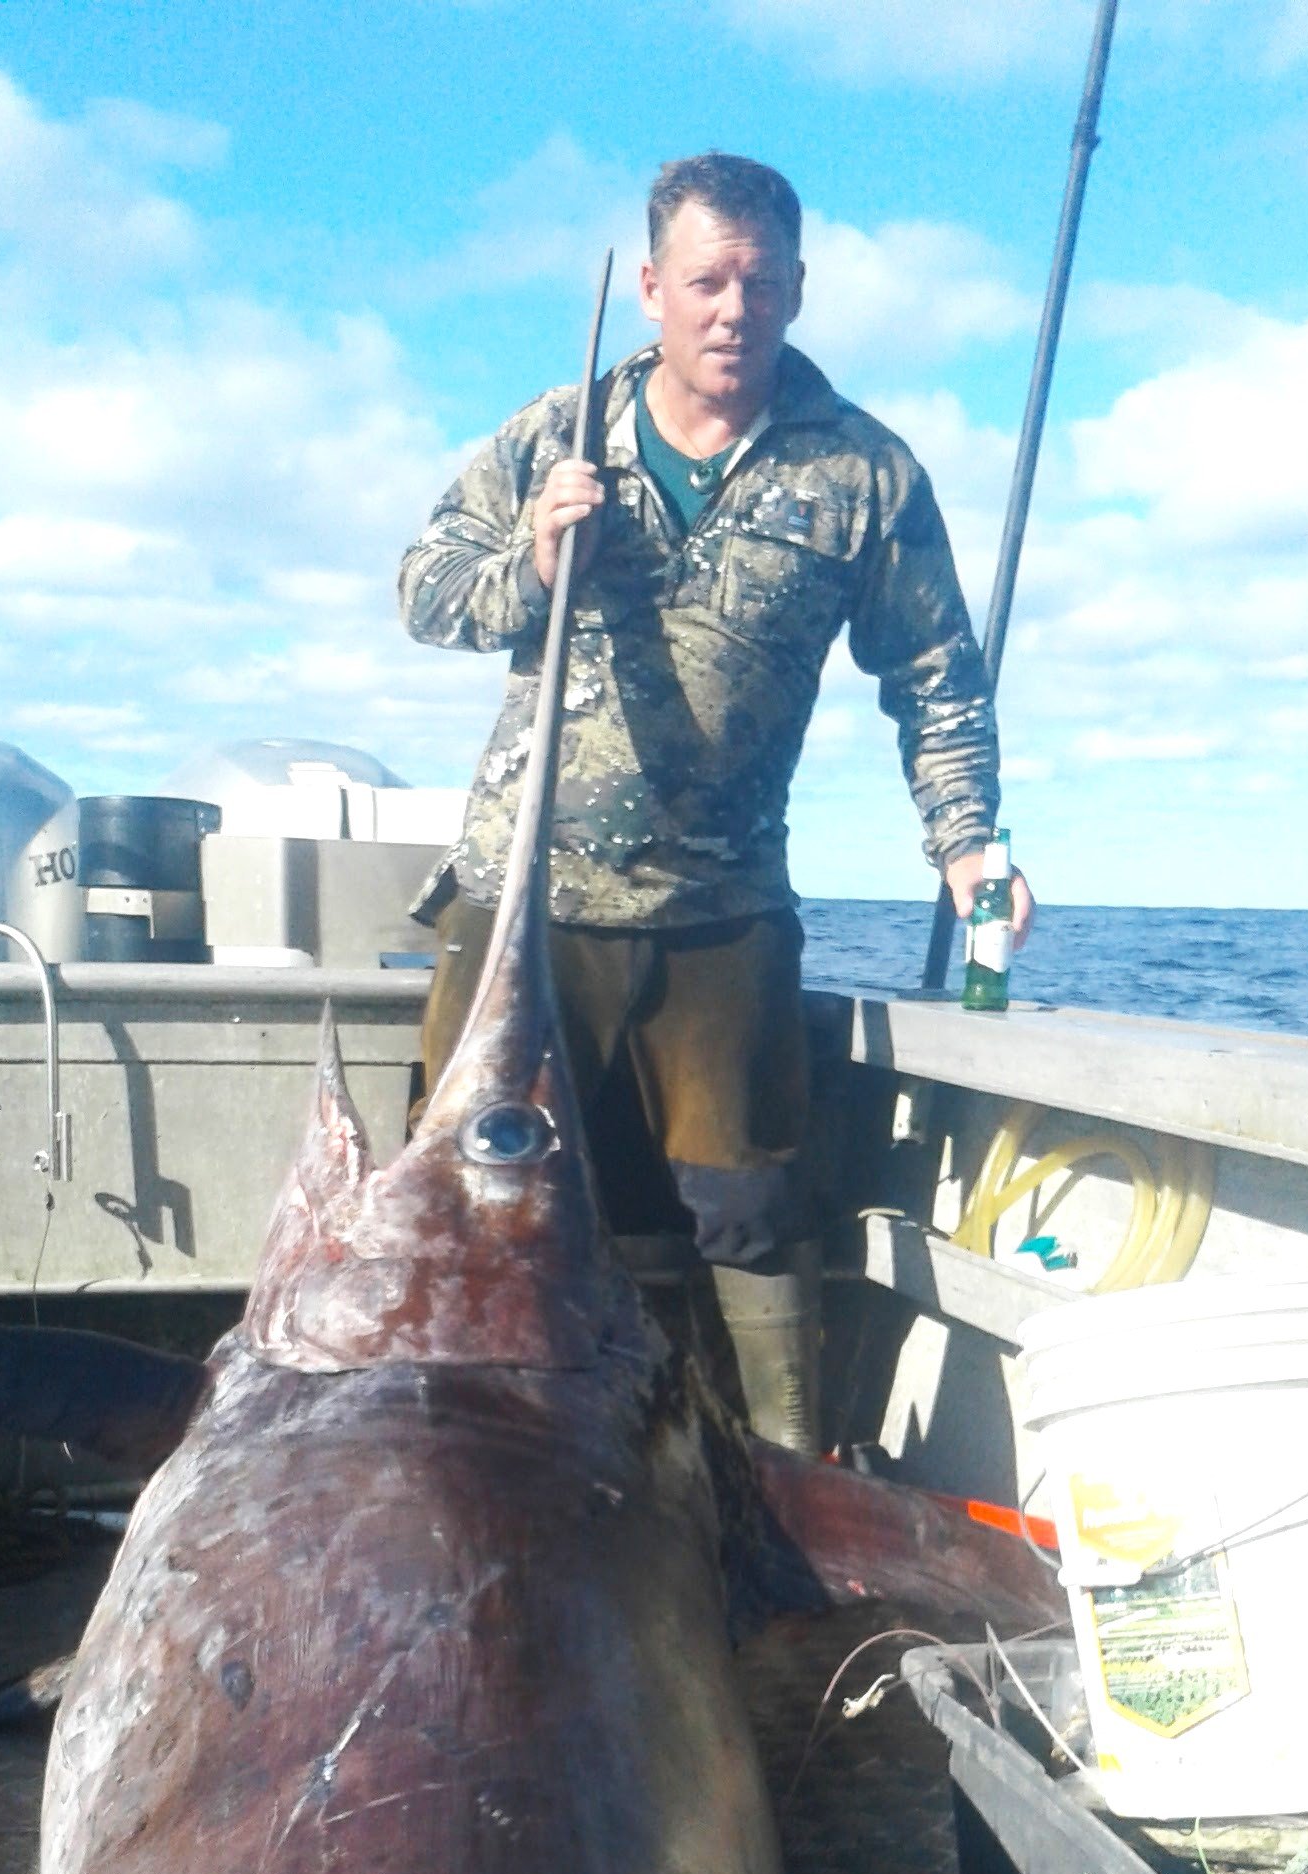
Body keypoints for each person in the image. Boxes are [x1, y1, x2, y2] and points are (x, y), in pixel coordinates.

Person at [398, 151, 1032, 1450]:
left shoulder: (864, 475)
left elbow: (935, 673)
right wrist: (529, 562)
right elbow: (424, 589)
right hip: (525, 902)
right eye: (705, 280)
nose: (732, 308)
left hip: (724, 906)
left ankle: (782, 1485)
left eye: (760, 281)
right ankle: (456, 1466)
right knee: (476, 1196)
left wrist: (967, 845)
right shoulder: (553, 435)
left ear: (798, 290)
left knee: (748, 1213)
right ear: (650, 290)